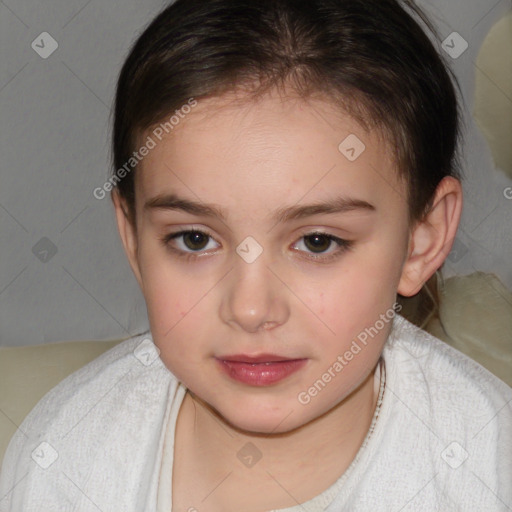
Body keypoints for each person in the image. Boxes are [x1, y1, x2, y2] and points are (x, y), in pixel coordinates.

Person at [1, 0, 511, 510]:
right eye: (195, 240)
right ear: (133, 238)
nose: (249, 308)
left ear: (421, 240)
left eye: (317, 242)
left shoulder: (487, 468)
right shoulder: (67, 458)